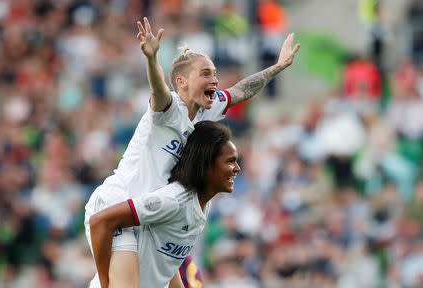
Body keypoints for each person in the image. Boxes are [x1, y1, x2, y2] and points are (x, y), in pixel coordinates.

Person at [84, 17, 299, 288]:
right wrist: (152, 60)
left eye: (215, 73)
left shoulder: (208, 109)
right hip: (118, 203)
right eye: (206, 74)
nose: (215, 79)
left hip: (147, 215)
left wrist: (276, 68)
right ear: (182, 82)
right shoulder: (169, 109)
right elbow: (158, 90)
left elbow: (241, 90)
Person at [90, 121, 240, 288]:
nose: (237, 168)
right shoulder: (173, 200)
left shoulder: (203, 205)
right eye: (230, 161)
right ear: (206, 164)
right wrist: (105, 282)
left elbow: (168, 264)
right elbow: (100, 221)